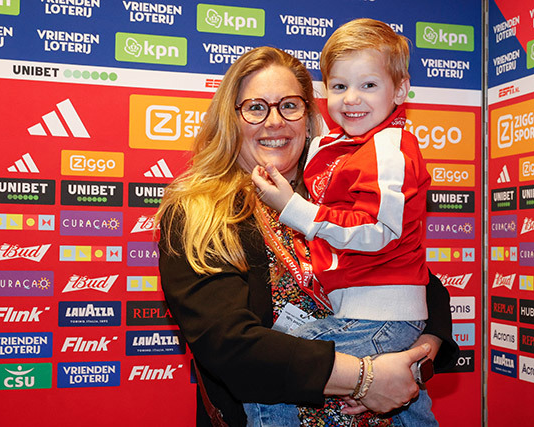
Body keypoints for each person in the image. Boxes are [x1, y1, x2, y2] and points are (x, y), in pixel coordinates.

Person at [157, 46, 457, 427]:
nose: (274, 122)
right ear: (230, 119)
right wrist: (366, 379)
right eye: (255, 108)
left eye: (289, 106)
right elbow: (229, 345)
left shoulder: (334, 195)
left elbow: (422, 286)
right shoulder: (198, 212)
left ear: (309, 117)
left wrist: (417, 361)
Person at [250, 19, 441, 426]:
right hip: (363, 313)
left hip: (379, 314)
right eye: (339, 86)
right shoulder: (338, 149)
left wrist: (295, 208)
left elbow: (380, 232)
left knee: (273, 370)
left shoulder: (388, 148)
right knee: (412, 410)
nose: (351, 98)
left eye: (368, 85)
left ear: (400, 91)